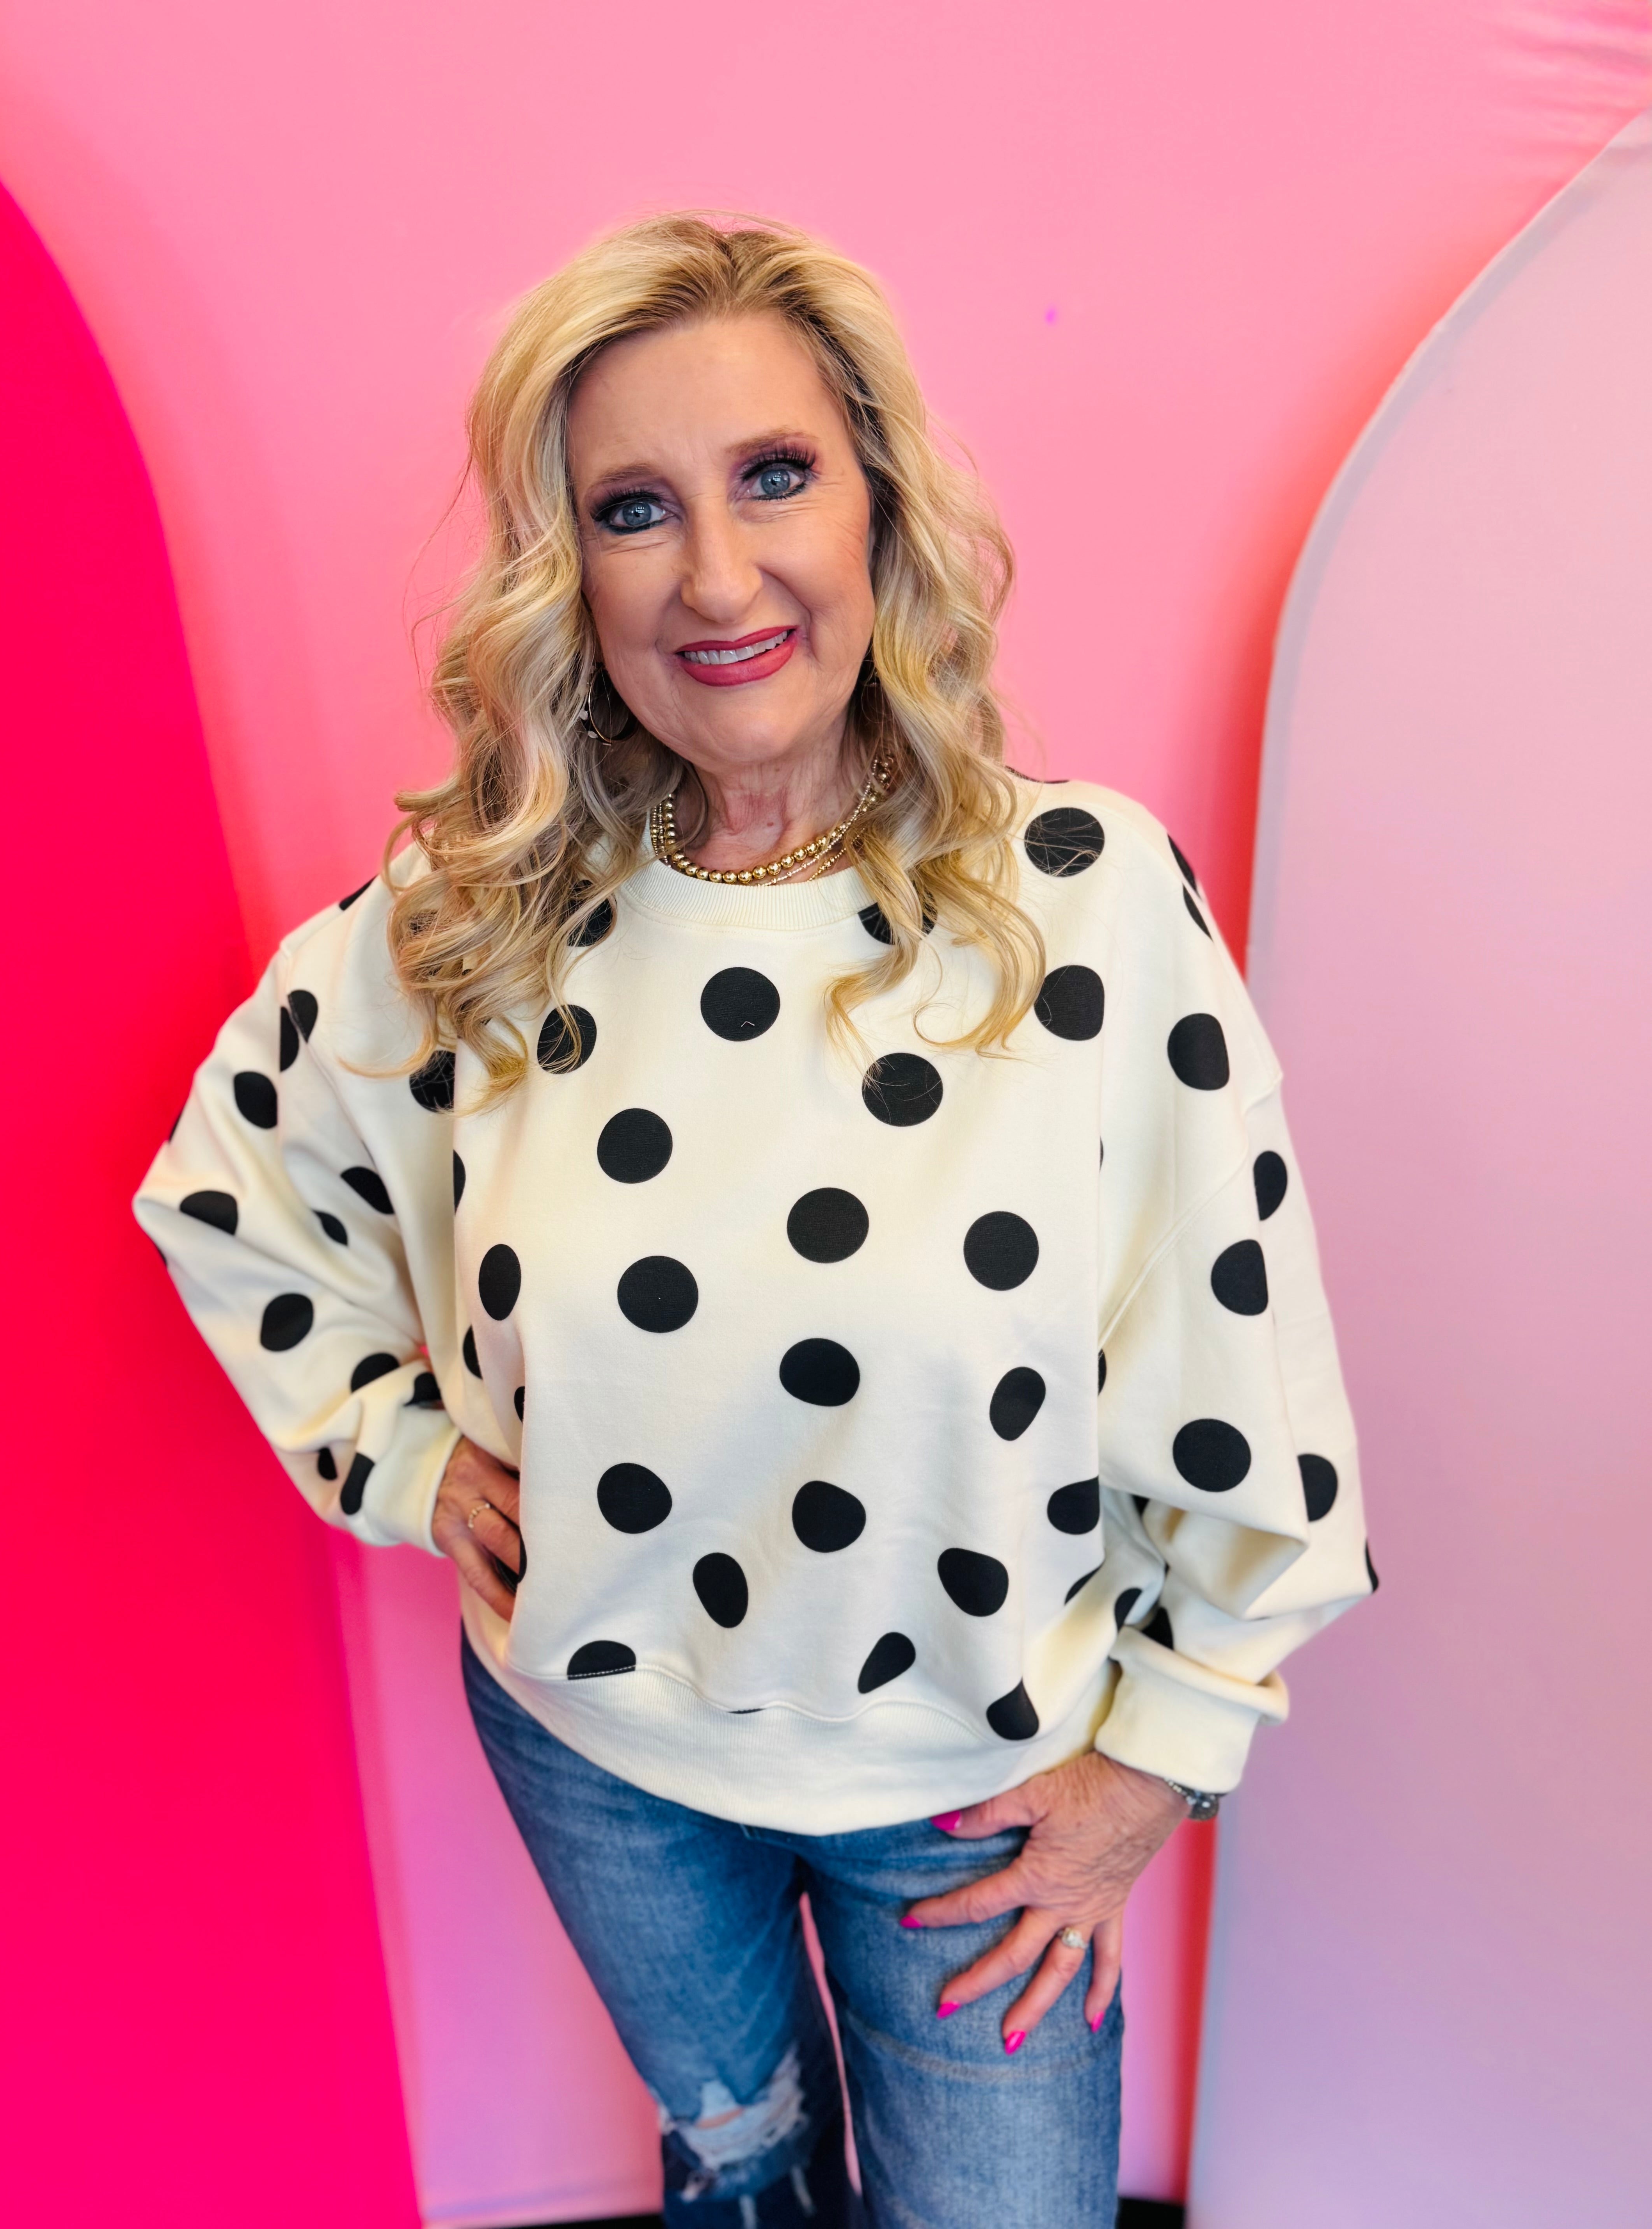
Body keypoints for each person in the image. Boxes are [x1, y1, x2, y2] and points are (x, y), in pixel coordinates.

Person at [135, 214, 1371, 2229]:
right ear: (568, 569)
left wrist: (1159, 1762)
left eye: (775, 476)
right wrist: (402, 1454)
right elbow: (233, 1186)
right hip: (596, 1756)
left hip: (970, 1802)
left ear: (877, 497)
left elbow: (1250, 1382)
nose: (717, 577)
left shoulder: (1086, 903)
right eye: (635, 508)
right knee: (740, 2176)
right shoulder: (480, 918)